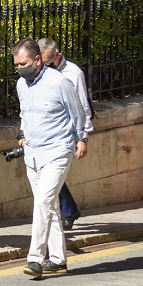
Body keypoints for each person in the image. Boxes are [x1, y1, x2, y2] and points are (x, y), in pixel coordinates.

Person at [13, 37, 87, 278]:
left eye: (23, 63)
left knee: (43, 202)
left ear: (37, 60)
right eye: (16, 65)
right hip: (33, 154)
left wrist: (81, 139)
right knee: (51, 206)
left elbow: (78, 112)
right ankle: (57, 259)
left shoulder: (59, 82)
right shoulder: (21, 85)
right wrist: (22, 134)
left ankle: (35, 258)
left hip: (57, 151)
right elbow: (25, 114)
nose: (19, 68)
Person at [37, 38, 93, 230]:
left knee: (52, 171)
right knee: (47, 171)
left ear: (57, 55)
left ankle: (67, 210)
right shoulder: (40, 73)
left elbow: (83, 106)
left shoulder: (73, 73)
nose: (44, 66)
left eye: (47, 62)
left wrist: (83, 137)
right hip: (48, 129)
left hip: (67, 131)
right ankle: (69, 209)